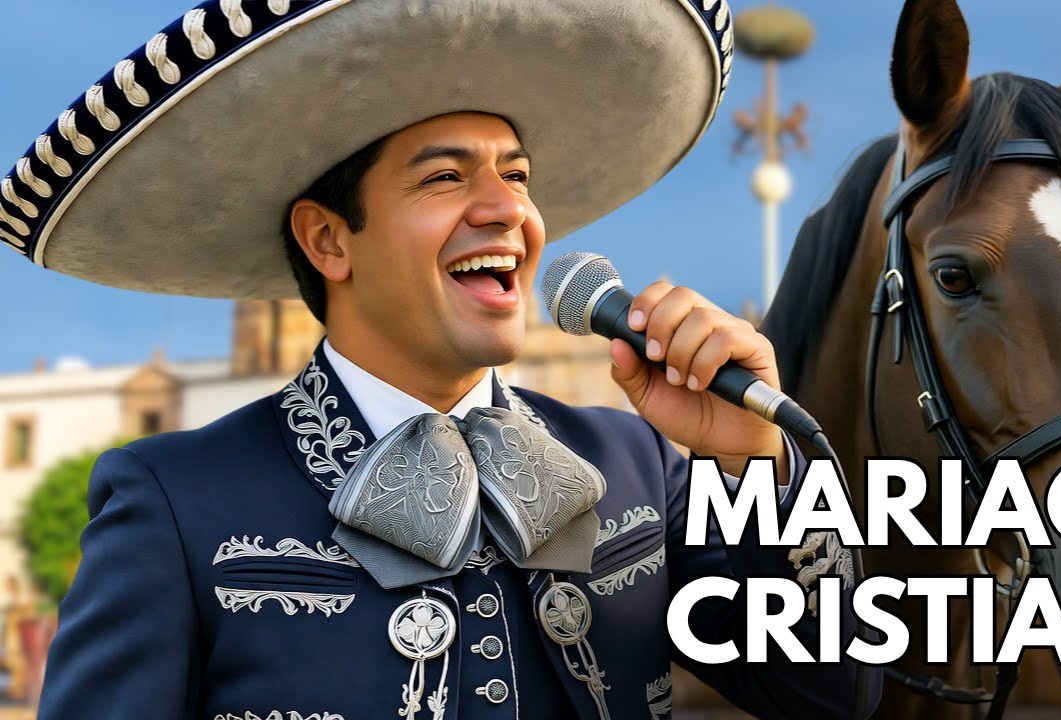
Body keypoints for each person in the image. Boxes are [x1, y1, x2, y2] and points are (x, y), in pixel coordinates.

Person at [3, 1, 878, 718]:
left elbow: (833, 696)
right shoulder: (174, 502)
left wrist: (756, 459)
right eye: (445, 178)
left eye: (519, 175)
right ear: (328, 240)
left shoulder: (635, 462)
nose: (507, 210)